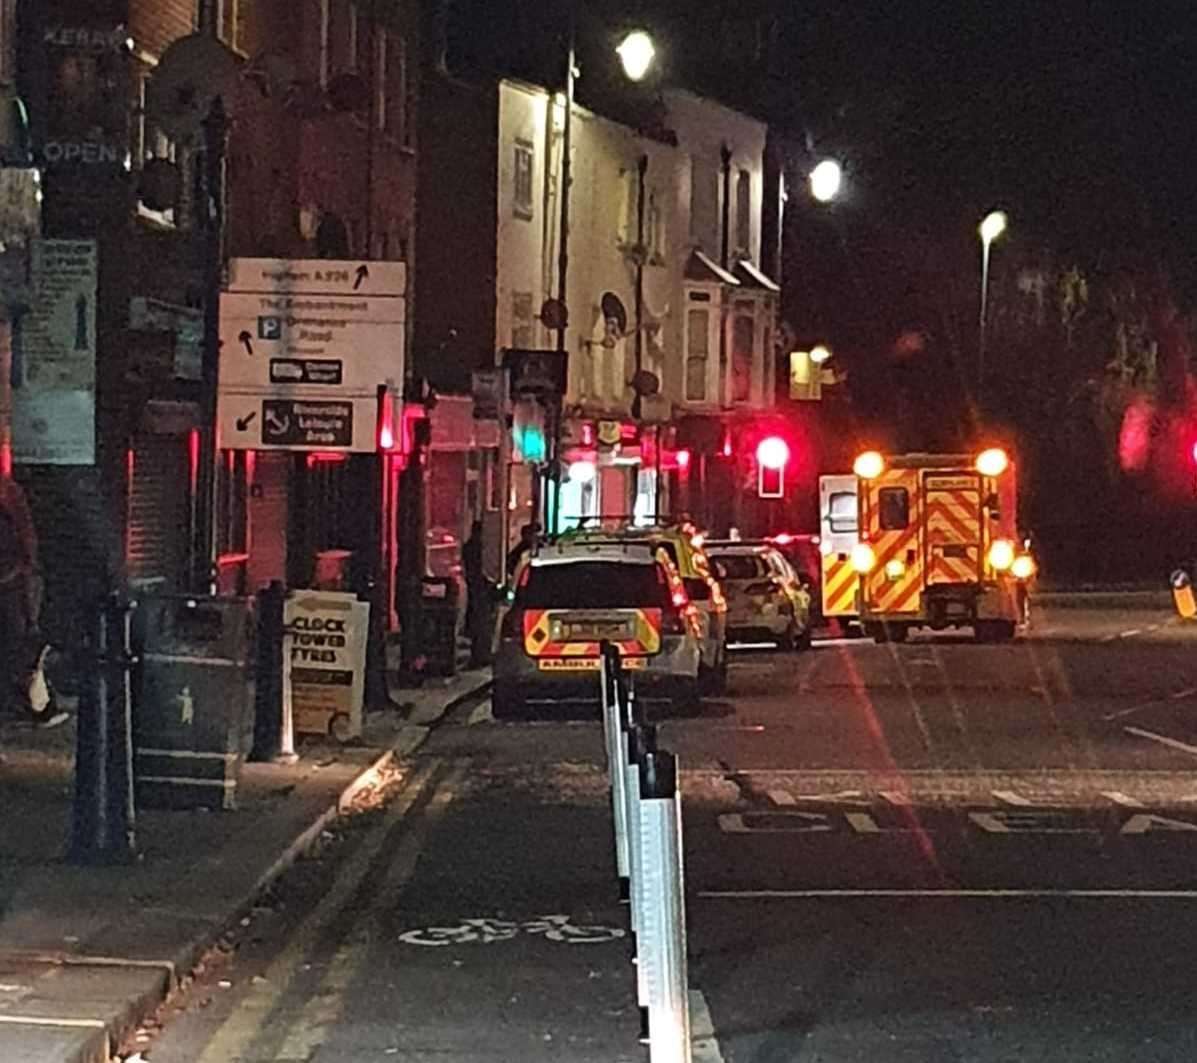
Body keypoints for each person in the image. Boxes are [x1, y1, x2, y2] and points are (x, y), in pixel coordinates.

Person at [0, 474, 40, 716]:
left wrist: (27, 565)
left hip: (10, 578)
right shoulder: (8, 490)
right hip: (11, 577)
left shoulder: (8, 490)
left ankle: (14, 698)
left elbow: (26, 534)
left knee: (13, 640)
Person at [462, 520, 493, 667]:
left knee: (478, 623)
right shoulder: (476, 547)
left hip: (475, 588)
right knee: (481, 623)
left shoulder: (469, 546)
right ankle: (480, 655)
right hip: (478, 590)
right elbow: (478, 570)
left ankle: (479, 655)